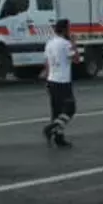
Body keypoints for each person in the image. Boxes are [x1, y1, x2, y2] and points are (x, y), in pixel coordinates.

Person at [42, 19, 77, 149]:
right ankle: (51, 128)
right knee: (70, 108)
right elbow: (76, 59)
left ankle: (58, 137)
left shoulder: (49, 43)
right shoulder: (66, 44)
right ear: (65, 30)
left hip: (52, 80)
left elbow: (47, 63)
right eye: (69, 28)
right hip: (63, 81)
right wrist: (74, 43)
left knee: (56, 111)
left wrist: (46, 79)